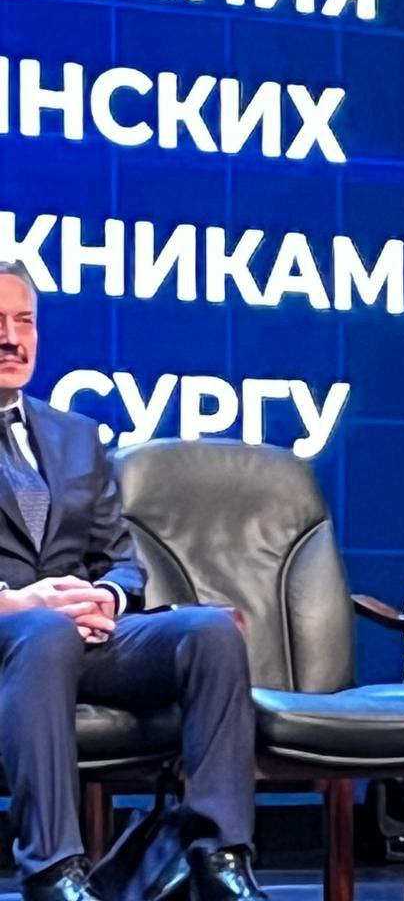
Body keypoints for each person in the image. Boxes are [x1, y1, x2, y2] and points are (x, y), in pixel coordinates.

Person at [0, 261, 265, 901]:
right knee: (43, 631)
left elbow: (120, 559)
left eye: (24, 321)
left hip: (83, 637)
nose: (11, 338)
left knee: (209, 632)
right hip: (14, 639)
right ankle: (53, 871)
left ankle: (216, 857)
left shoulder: (76, 436)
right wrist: (17, 602)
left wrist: (106, 596)